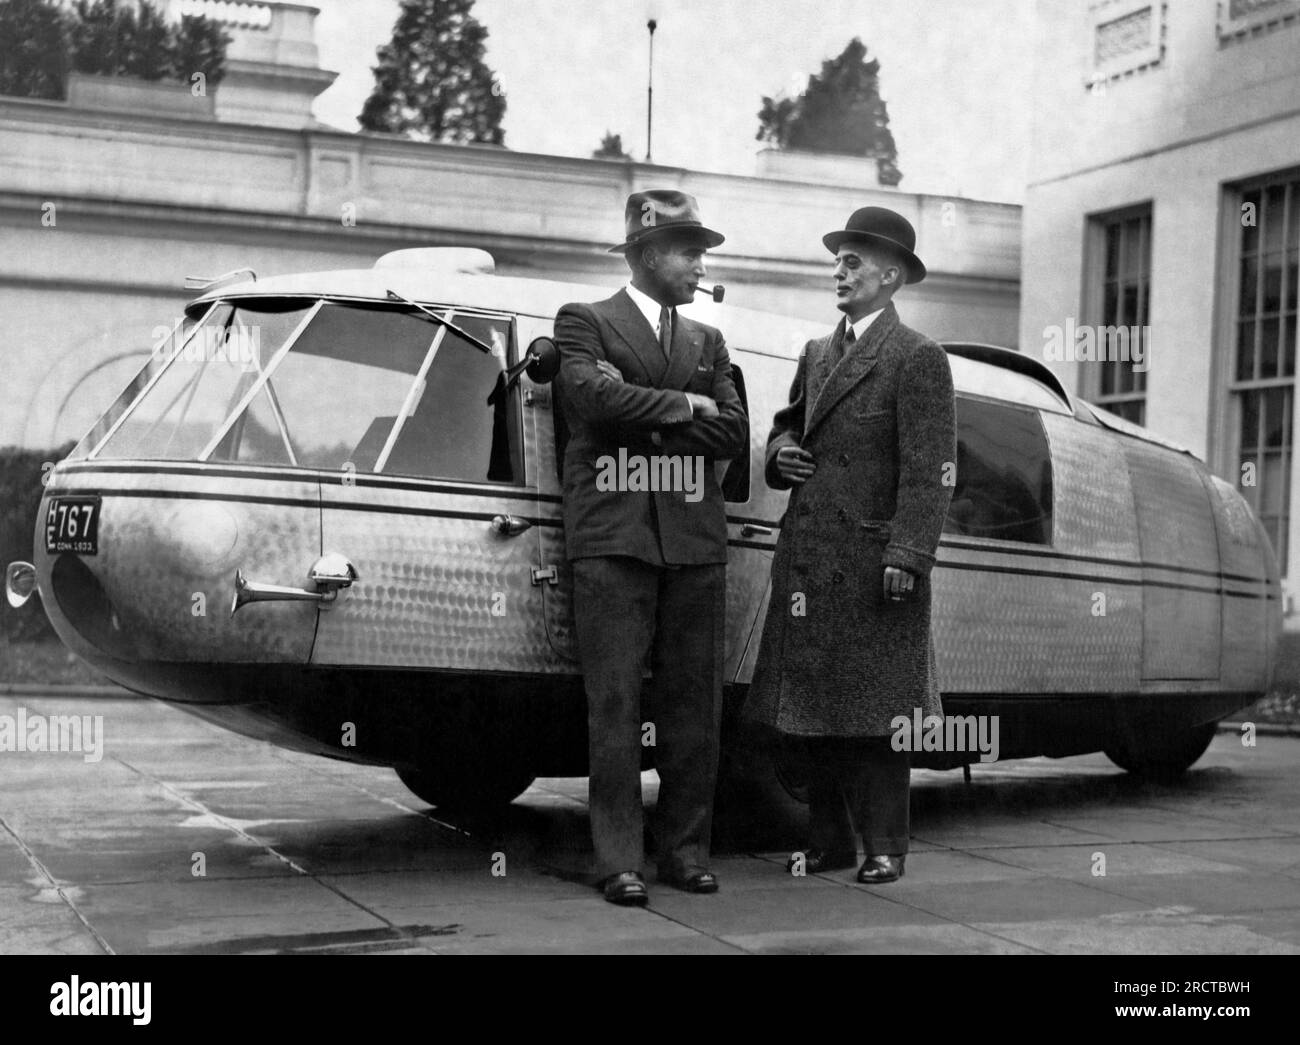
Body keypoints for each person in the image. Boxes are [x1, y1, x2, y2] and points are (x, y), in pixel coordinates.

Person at [744, 206, 955, 884]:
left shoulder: (918, 357)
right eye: (838, 258)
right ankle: (830, 841)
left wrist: (907, 555)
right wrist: (782, 458)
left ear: (890, 276)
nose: (840, 268)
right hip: (810, 561)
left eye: (855, 259)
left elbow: (931, 470)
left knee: (877, 717)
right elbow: (783, 429)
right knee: (814, 714)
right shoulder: (816, 353)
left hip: (873, 566)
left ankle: (884, 845)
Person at [554, 189, 748, 906]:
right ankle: (618, 859)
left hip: (694, 541)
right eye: (689, 249)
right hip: (614, 540)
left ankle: (686, 850)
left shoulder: (709, 341)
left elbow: (731, 432)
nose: (702, 263)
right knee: (613, 704)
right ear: (646, 254)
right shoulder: (586, 322)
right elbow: (590, 403)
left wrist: (648, 412)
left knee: (695, 707)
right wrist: (684, 405)